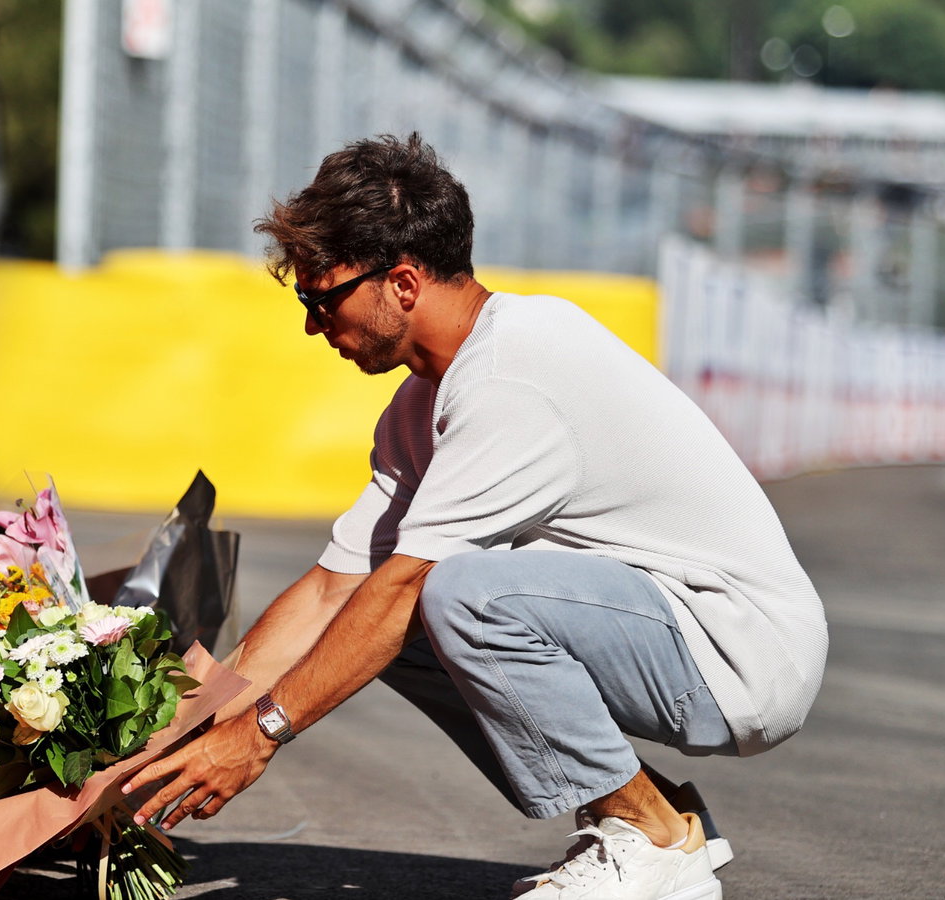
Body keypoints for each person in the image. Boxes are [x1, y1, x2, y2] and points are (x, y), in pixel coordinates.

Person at [127, 133, 828, 899]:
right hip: (669, 629)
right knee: (385, 620)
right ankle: (661, 814)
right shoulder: (422, 403)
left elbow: (401, 589)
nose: (311, 324)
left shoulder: (511, 380)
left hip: (739, 653)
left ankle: (653, 840)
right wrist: (178, 733)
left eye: (321, 298)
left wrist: (258, 735)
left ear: (401, 283)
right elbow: (334, 591)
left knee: (458, 596)